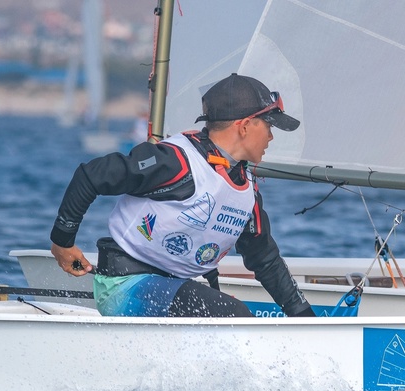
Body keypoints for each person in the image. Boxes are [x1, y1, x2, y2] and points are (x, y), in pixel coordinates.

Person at [50, 73, 315, 318]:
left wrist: (306, 321)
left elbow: (265, 260)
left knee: (230, 312)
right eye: (268, 126)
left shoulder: (247, 191)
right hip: (124, 286)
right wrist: (63, 242)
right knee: (234, 314)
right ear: (244, 126)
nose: (271, 136)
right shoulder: (176, 162)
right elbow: (91, 175)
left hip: (172, 289)